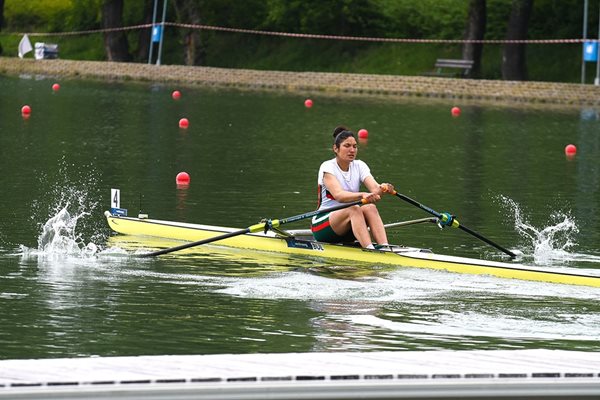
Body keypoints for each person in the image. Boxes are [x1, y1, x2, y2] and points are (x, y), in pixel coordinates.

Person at [311, 126, 394, 249]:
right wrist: (362, 195)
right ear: (335, 148)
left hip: (348, 226)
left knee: (370, 207)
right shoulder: (327, 167)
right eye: (347, 146)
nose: (352, 150)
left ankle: (385, 247)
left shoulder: (360, 166)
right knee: (354, 209)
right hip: (323, 225)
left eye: (355, 146)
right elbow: (339, 195)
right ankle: (369, 249)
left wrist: (383, 188)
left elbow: (375, 190)